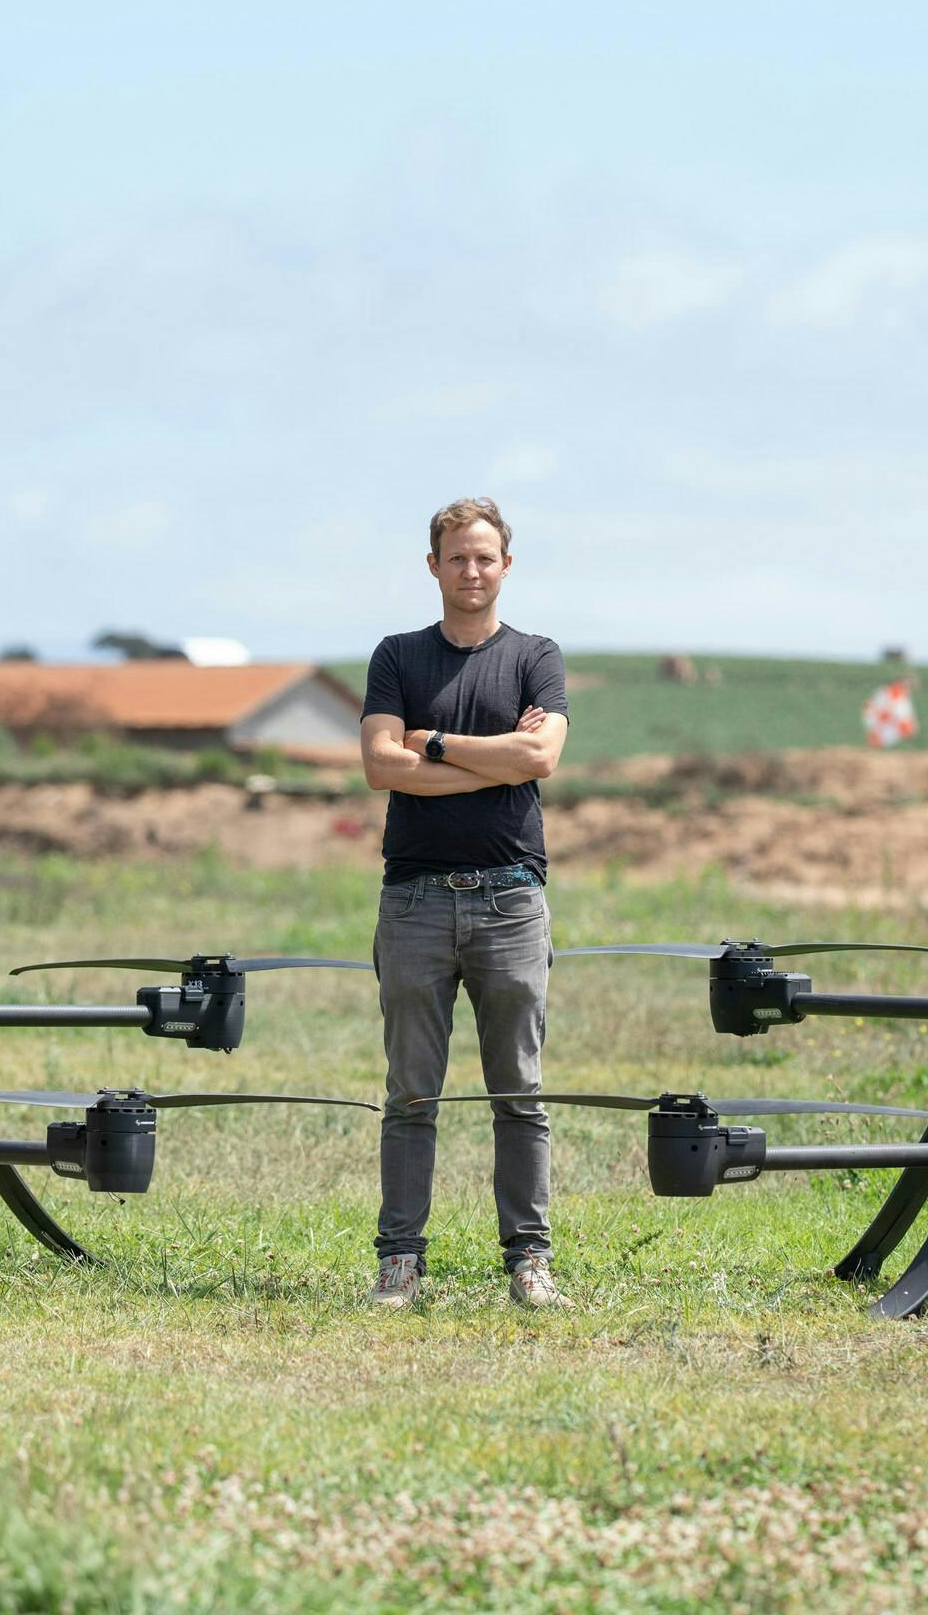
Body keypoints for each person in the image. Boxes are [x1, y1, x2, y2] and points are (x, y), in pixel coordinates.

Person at [357, 495, 570, 1309]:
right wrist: (498, 760)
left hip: (511, 902)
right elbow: (381, 766)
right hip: (413, 903)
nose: (472, 570)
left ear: (505, 566)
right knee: (412, 1092)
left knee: (520, 1091)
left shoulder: (536, 656)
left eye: (486, 557)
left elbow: (541, 754)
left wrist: (436, 744)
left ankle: (529, 1261)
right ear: (433, 566)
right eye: (457, 557)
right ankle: (400, 1262)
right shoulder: (397, 656)